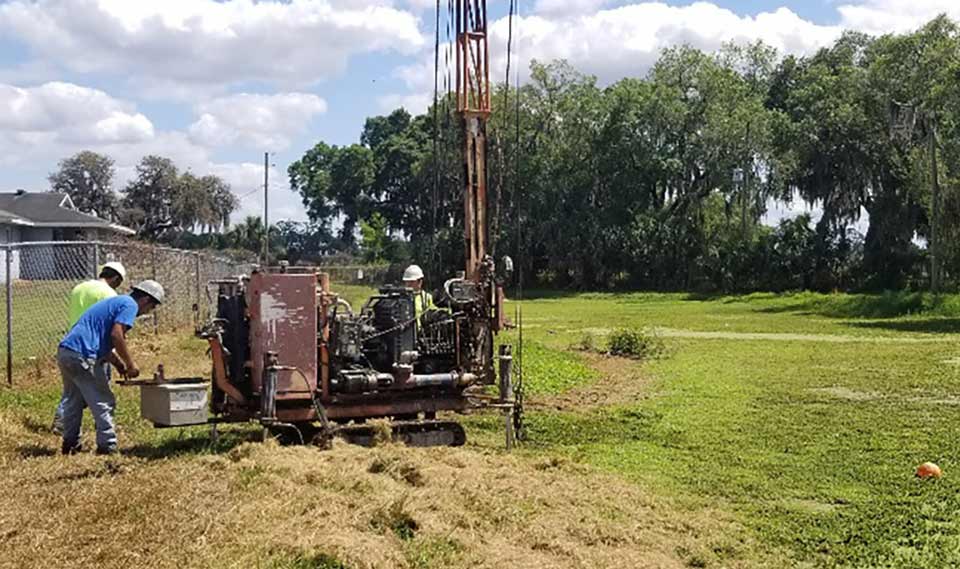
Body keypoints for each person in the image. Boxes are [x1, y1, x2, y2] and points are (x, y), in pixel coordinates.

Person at [57, 280, 164, 455]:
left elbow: (103, 344)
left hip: (67, 352)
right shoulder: (129, 305)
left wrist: (119, 365)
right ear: (145, 299)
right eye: (151, 307)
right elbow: (117, 336)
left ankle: (70, 444)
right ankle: (108, 446)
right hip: (83, 354)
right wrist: (131, 365)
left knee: (74, 401)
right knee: (103, 401)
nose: (147, 312)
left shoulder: (116, 303)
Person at [52, 262, 127, 433]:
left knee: (73, 389)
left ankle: (62, 420)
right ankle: (103, 425)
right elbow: (109, 326)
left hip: (73, 341)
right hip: (95, 345)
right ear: (116, 278)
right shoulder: (109, 293)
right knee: (101, 389)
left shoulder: (79, 288)